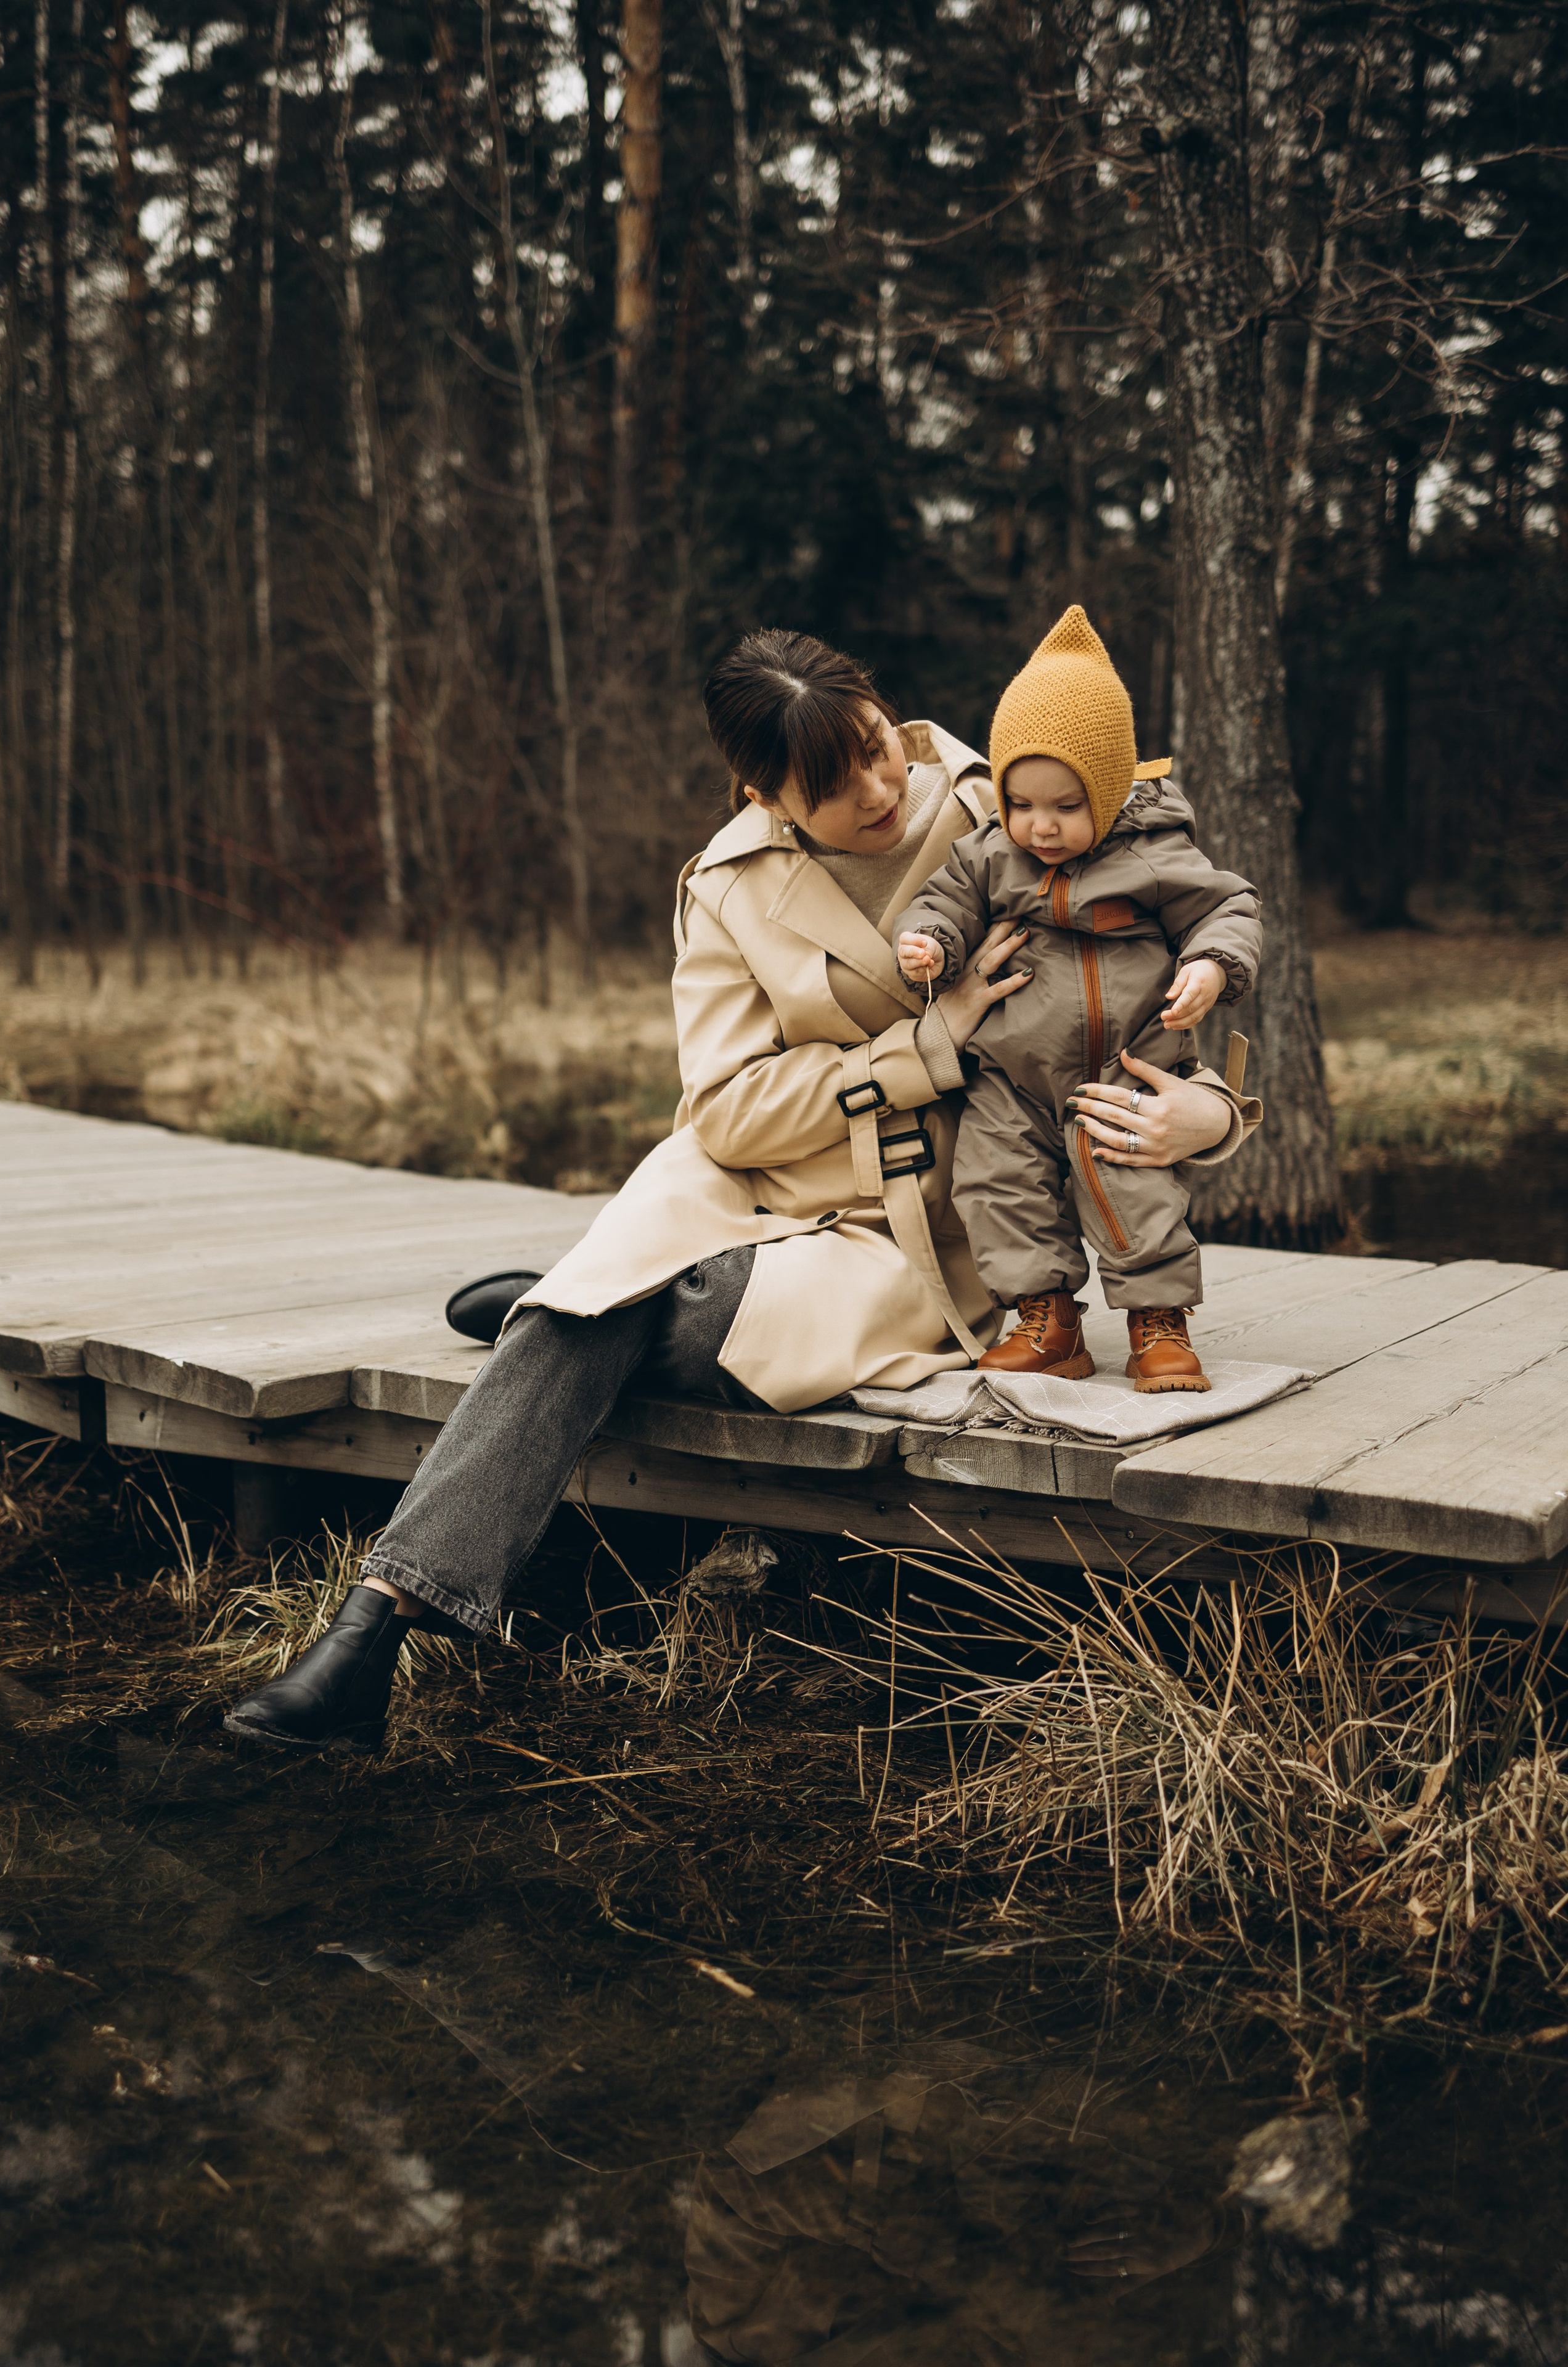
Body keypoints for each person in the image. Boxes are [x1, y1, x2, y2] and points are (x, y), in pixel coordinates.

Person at [223, 631, 1259, 1754]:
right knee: (586, 1318)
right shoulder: (725, 887)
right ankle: (373, 1632)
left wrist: (1212, 1115)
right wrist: (931, 1041)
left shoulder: (1008, 797)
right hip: (740, 1186)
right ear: (764, 795)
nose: (877, 789)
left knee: (649, 1319)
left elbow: (1173, 982)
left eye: (874, 747)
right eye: (832, 785)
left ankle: (576, 1306)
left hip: (917, 1224)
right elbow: (727, 1113)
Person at [896, 605, 1261, 1393]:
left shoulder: (1159, 851)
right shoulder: (989, 852)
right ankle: (1046, 1319)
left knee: (1132, 1183)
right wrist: (928, 944)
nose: (1042, 826)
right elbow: (943, 903)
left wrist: (1210, 966)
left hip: (1124, 1069)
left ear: (1108, 787)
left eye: (1067, 806)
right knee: (995, 1183)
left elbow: (1229, 908)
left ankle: (1156, 1322)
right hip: (1012, 1074)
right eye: (1022, 803)